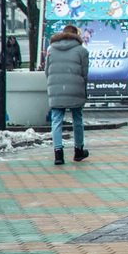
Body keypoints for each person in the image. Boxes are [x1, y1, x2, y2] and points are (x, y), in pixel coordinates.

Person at [45, 24, 89, 166]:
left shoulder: (51, 49)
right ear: (76, 35)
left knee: (56, 120)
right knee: (77, 119)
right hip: (75, 87)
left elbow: (47, 71)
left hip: (56, 89)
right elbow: (84, 73)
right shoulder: (81, 50)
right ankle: (78, 150)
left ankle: (58, 154)